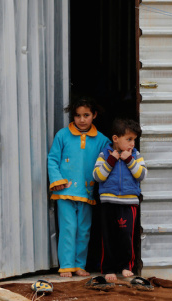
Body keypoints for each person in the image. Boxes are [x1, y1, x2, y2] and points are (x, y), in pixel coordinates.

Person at [48, 97, 110, 277]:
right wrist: (57, 180)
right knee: (68, 228)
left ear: (94, 115)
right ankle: (66, 265)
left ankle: (79, 265)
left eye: (86, 115)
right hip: (65, 191)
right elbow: (53, 159)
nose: (82, 120)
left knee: (84, 230)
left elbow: (107, 164)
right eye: (77, 115)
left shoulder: (102, 140)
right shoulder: (62, 135)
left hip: (87, 191)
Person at [92, 118, 147, 281]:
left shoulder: (136, 155)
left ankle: (125, 266)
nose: (132, 144)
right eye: (129, 139)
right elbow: (98, 176)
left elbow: (142, 174)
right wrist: (113, 159)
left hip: (128, 204)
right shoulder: (105, 154)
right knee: (107, 237)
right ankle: (108, 268)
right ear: (115, 139)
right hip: (108, 203)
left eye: (134, 140)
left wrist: (129, 159)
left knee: (126, 237)